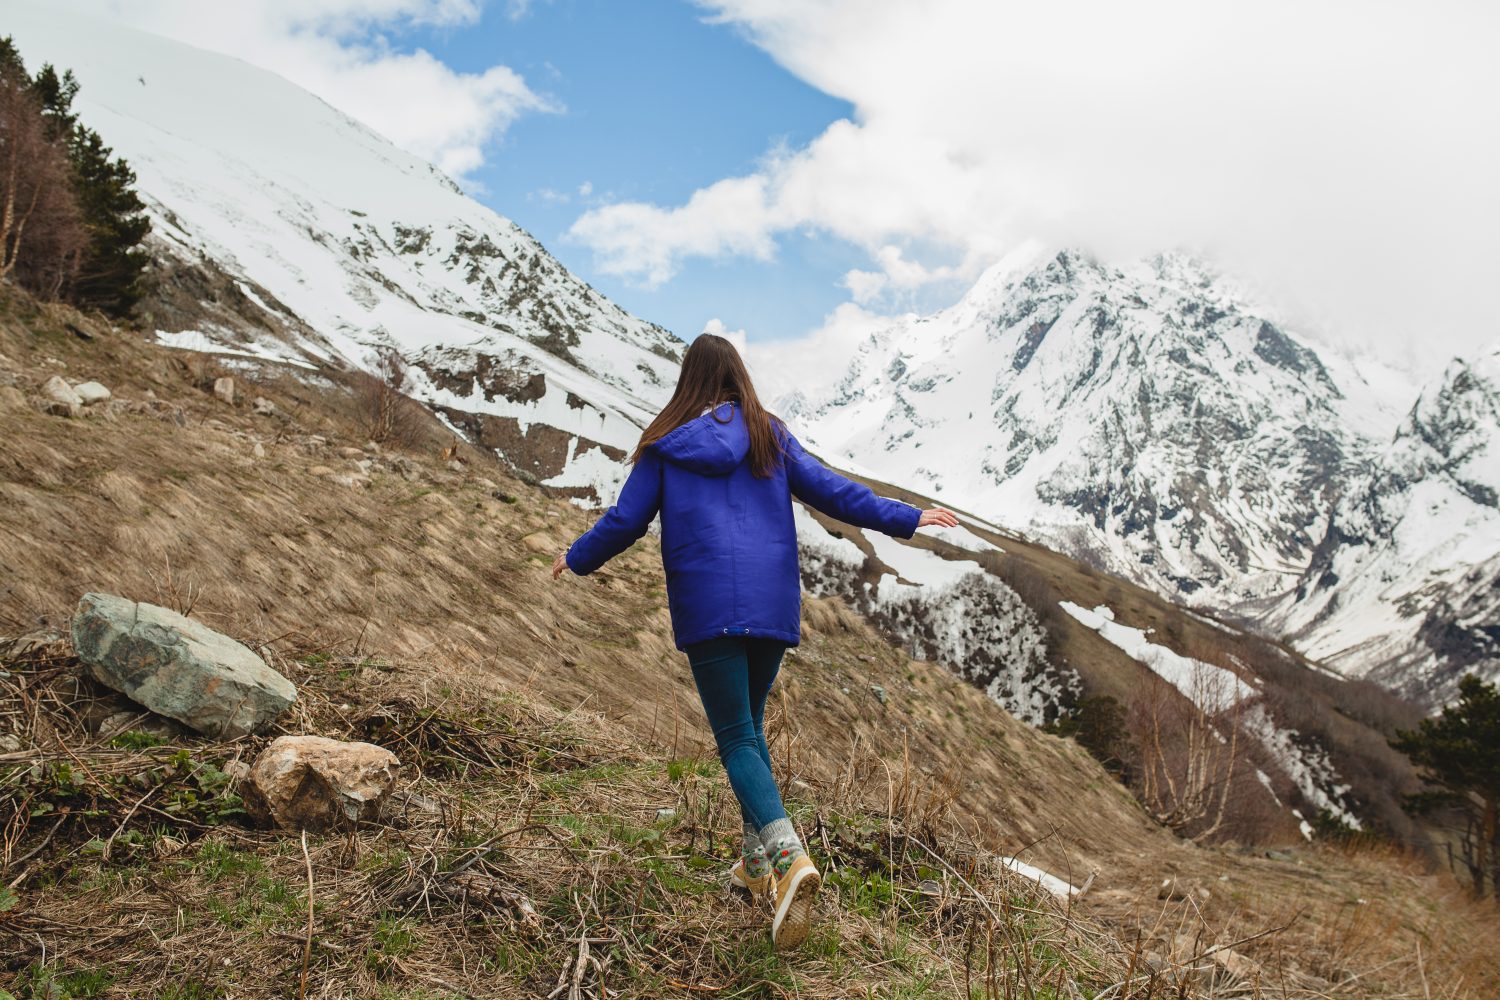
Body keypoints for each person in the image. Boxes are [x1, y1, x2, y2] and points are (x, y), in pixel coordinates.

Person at [550, 334, 958, 950]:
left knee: (736, 736)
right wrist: (905, 516)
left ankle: (789, 857)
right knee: (751, 729)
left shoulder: (666, 448)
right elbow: (834, 491)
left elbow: (626, 521)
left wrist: (576, 559)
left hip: (709, 605)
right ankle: (755, 867)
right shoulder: (771, 436)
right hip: (771, 605)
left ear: (689, 381)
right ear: (737, 377)